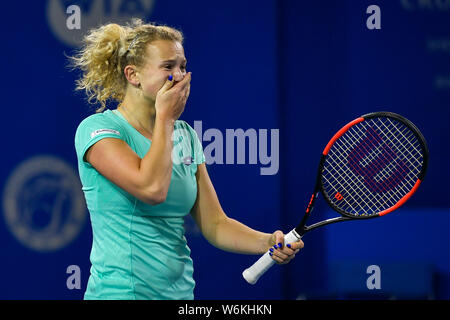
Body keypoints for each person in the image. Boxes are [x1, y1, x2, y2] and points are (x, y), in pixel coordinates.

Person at [71, 19, 304, 300]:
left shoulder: (185, 135)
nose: (180, 75)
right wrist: (166, 120)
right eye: (168, 67)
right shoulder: (98, 130)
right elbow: (151, 189)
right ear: (133, 75)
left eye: (182, 65)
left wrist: (266, 242)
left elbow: (215, 224)